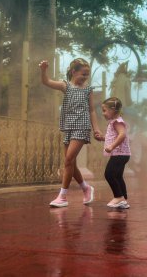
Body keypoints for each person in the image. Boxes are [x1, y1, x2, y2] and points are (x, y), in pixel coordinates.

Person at [39, 58, 102, 208]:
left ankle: (62, 196)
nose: (85, 77)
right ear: (74, 72)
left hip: (82, 126)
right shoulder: (65, 86)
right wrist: (43, 71)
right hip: (69, 127)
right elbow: (46, 82)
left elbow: (92, 110)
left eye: (87, 75)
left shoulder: (88, 89)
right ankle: (86, 188)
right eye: (83, 74)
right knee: (71, 163)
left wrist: (96, 129)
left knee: (68, 160)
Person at [96, 97, 131, 209]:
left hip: (119, 154)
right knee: (118, 176)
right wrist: (103, 138)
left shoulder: (117, 122)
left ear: (113, 110)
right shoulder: (114, 122)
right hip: (122, 154)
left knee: (109, 174)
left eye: (104, 110)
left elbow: (122, 135)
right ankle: (123, 199)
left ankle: (118, 197)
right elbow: (113, 136)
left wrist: (111, 146)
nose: (103, 113)